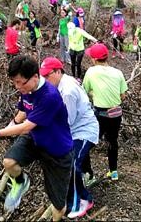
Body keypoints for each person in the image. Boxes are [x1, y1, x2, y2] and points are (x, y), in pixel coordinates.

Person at [0, 56, 73, 221]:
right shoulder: (27, 89)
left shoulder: (49, 96)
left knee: (58, 205)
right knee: (9, 162)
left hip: (57, 150)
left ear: (36, 77)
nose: (18, 87)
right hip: (35, 139)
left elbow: (26, 126)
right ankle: (20, 182)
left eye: (21, 83)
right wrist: (11, 124)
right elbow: (24, 111)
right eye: (14, 82)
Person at [39, 57, 99, 219]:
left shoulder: (68, 91)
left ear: (58, 72)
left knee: (72, 164)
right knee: (67, 162)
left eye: (47, 75)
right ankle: (70, 195)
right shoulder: (59, 84)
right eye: (42, 76)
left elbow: (68, 120)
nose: (44, 79)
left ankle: (83, 200)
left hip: (84, 131)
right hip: (73, 131)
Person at [82, 43, 128, 182]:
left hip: (100, 115)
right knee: (112, 141)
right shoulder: (118, 72)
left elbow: (84, 91)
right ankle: (113, 172)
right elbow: (123, 96)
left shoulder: (91, 72)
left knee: (87, 142)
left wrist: (94, 94)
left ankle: (88, 174)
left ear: (94, 59)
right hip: (116, 114)